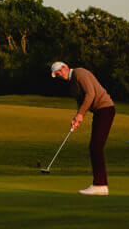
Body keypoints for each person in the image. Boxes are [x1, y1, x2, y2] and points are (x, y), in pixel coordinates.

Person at [51, 60, 115, 196]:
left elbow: (90, 94)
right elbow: (82, 104)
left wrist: (80, 114)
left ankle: (100, 185)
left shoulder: (79, 73)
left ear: (65, 67)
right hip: (99, 111)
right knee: (95, 147)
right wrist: (77, 119)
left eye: (59, 72)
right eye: (56, 75)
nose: (59, 75)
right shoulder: (72, 86)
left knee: (96, 147)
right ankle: (101, 184)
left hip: (105, 109)